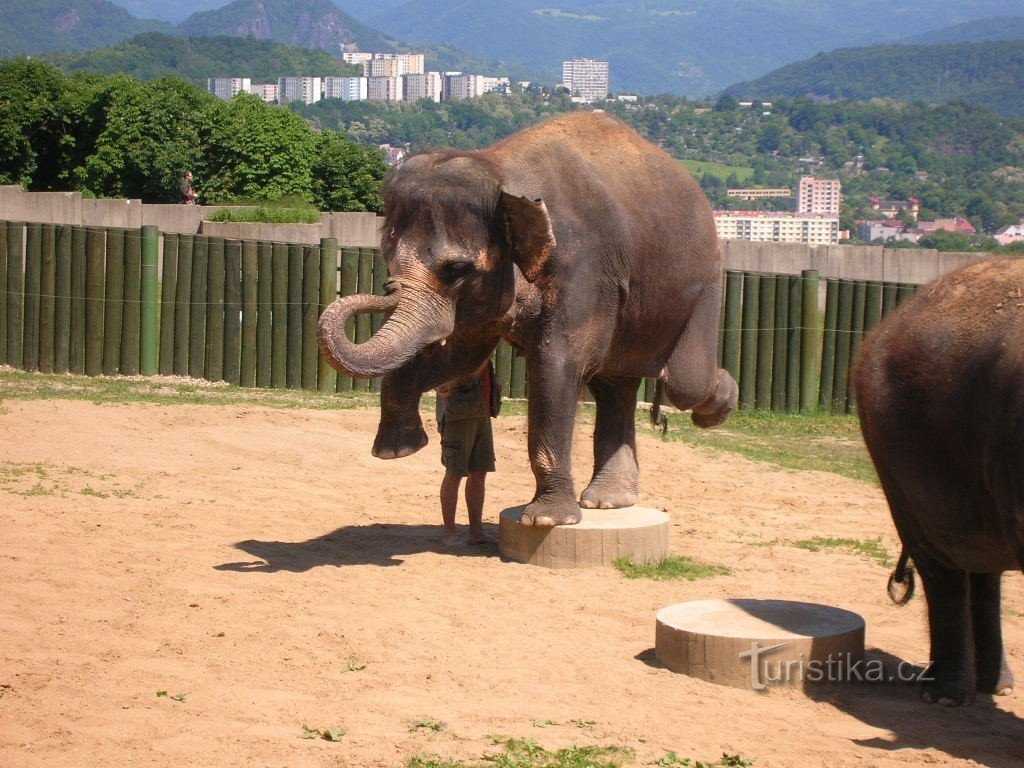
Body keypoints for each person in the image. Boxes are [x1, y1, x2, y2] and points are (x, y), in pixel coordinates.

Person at [435, 361, 500, 547]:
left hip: (482, 412)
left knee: (480, 473)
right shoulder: (453, 337)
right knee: (454, 473)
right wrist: (443, 384)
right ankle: (449, 532)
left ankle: (476, 532)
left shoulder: (484, 340)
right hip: (459, 413)